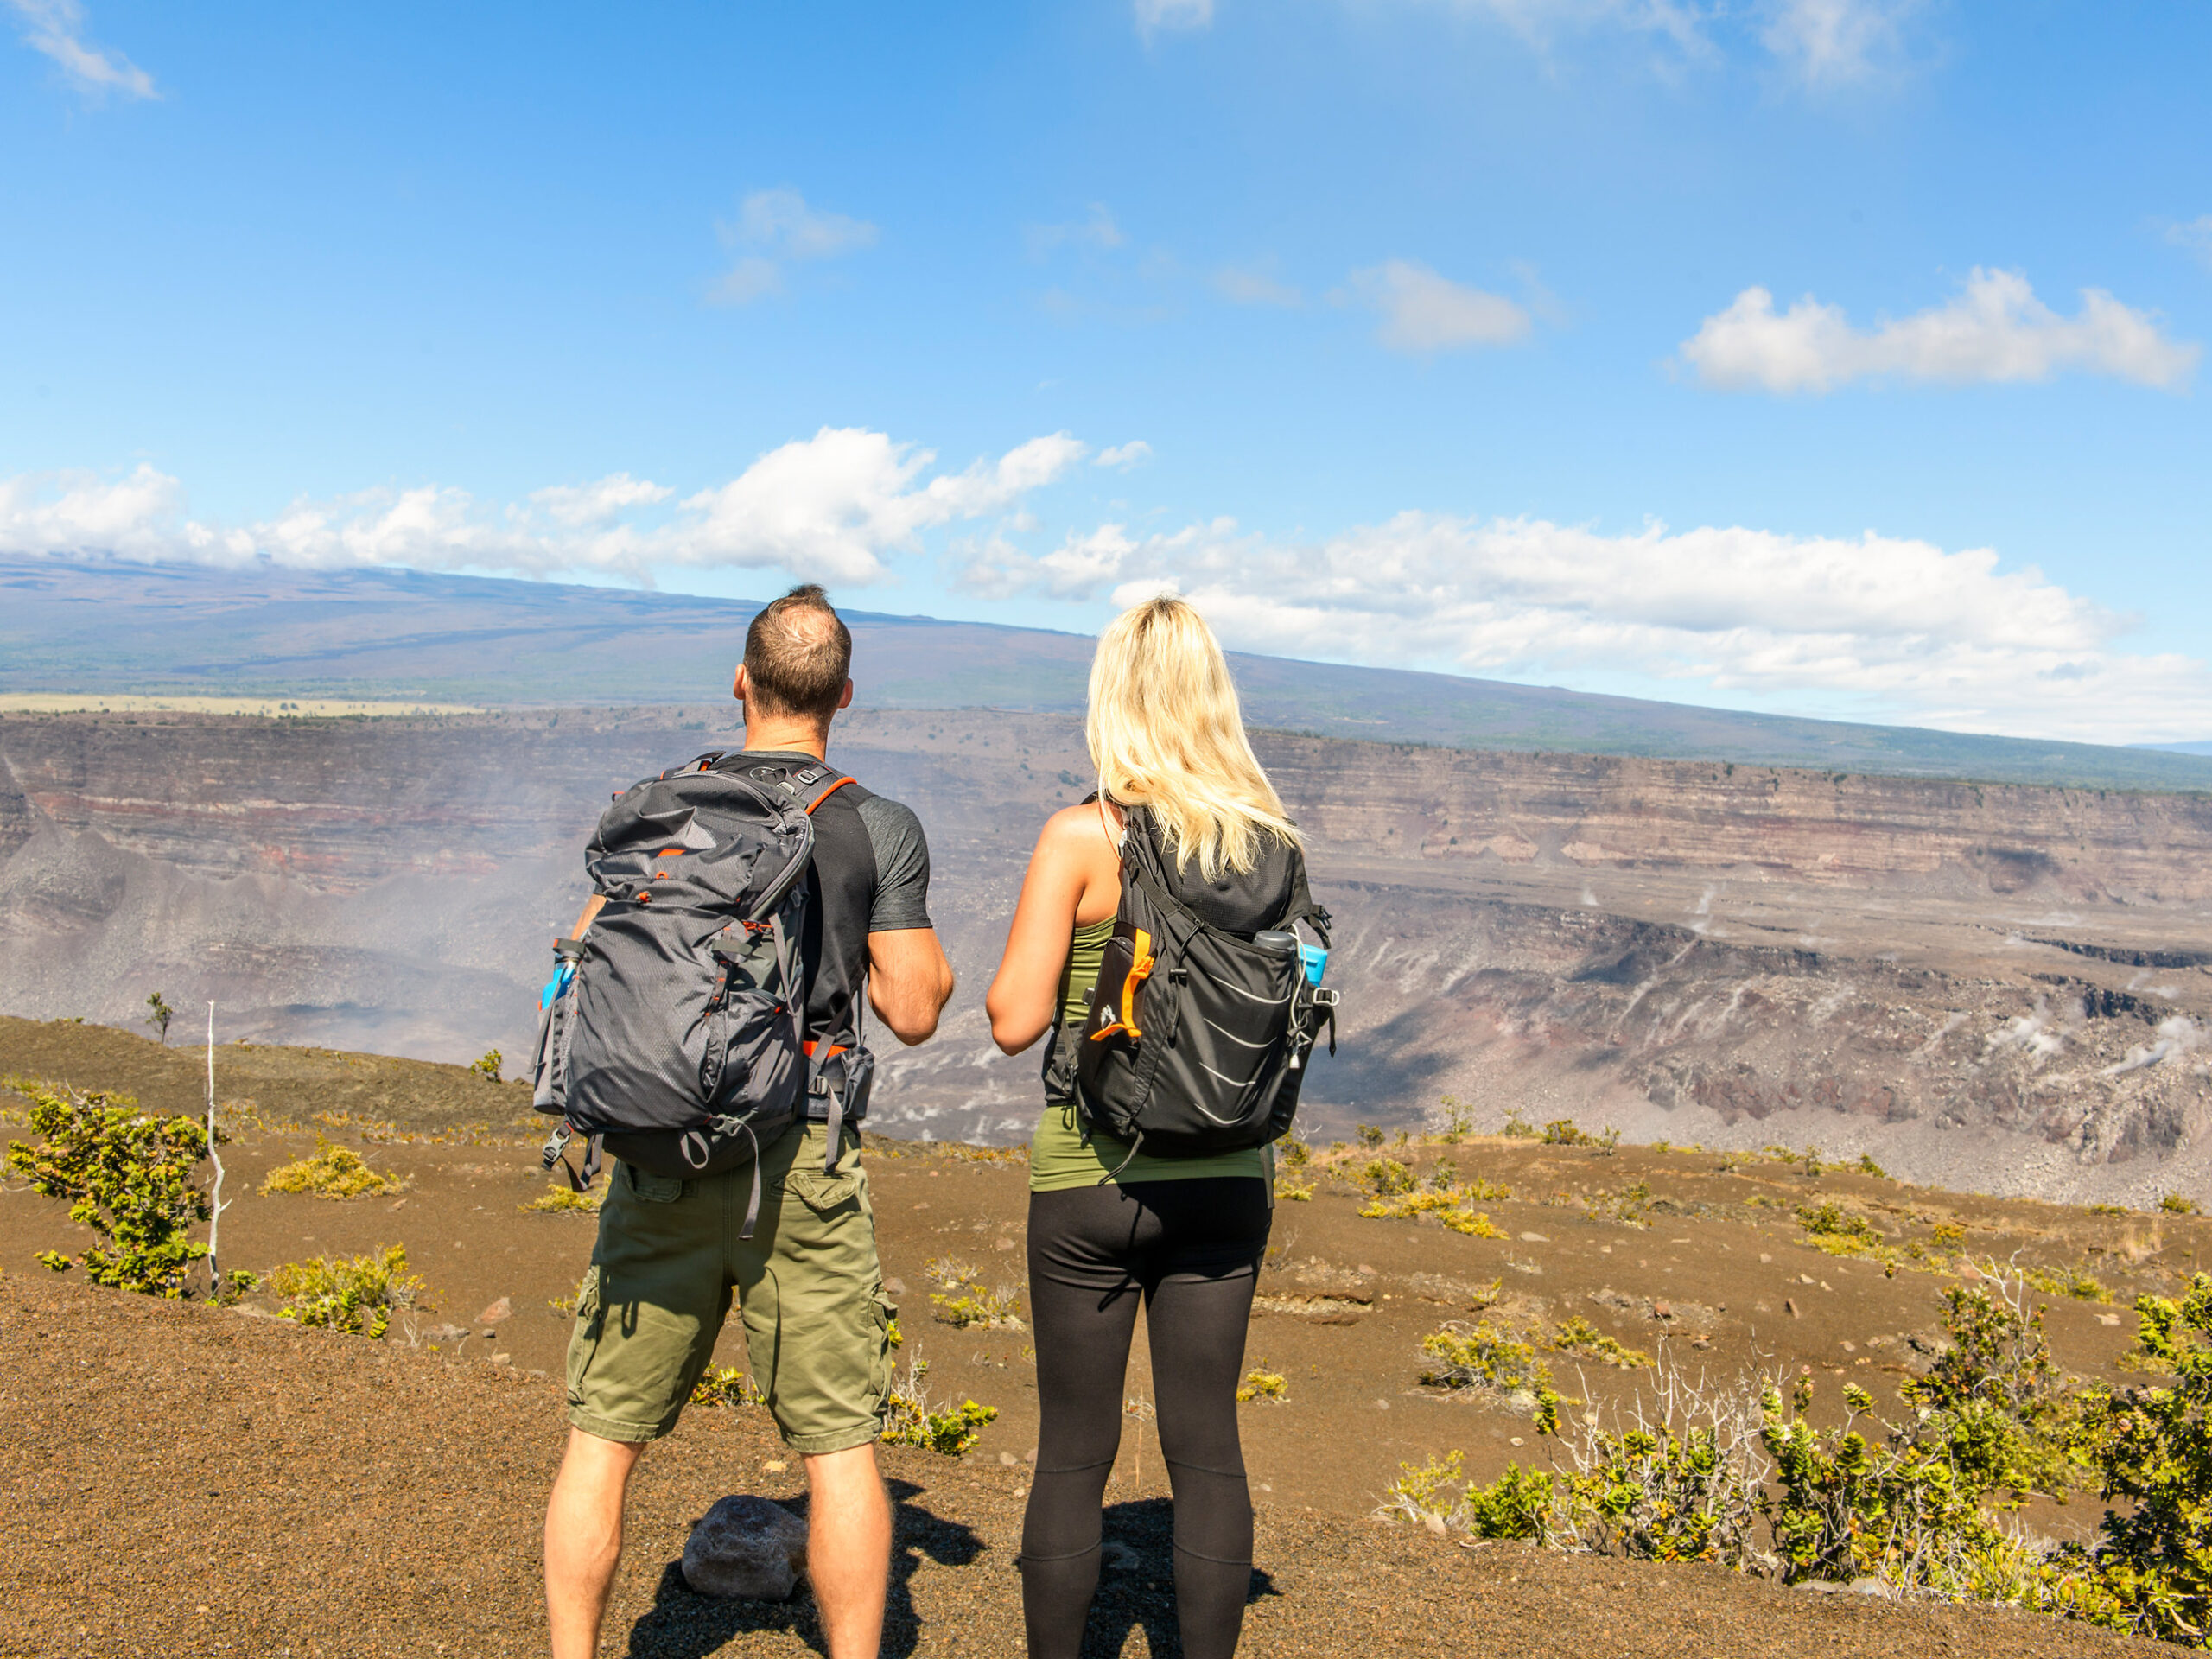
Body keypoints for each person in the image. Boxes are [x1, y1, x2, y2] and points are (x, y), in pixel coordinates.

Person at [543, 584, 957, 1659]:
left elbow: (582, 963)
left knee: (602, 1439)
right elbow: (911, 1010)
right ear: (846, 696)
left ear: (740, 682)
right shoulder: (875, 823)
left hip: (658, 1154)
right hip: (802, 1164)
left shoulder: (661, 806)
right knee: (839, 1448)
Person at [985, 594, 1309, 1659]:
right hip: (1228, 1181)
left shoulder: (1084, 836)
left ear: (1112, 700)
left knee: (1074, 1456)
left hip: (1092, 1179)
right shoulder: (1271, 847)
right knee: (1207, 1450)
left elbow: (1012, 1021)